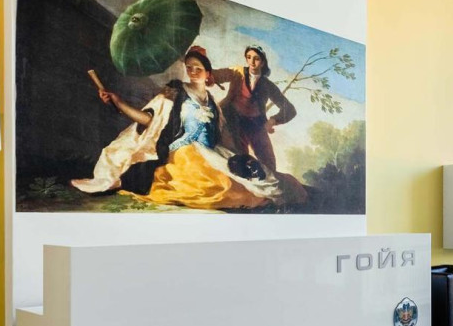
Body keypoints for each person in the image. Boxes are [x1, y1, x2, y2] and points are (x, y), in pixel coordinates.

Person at [72, 46, 302, 210]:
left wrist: (239, 156)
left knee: (256, 180)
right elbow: (149, 119)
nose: (193, 71)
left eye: (198, 67)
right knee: (214, 186)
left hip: (215, 150)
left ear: (208, 73)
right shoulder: (176, 91)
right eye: (189, 67)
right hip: (184, 152)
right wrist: (118, 102)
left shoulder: (214, 105)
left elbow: (223, 137)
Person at [211, 45, 295, 174]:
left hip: (256, 124)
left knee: (269, 166)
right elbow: (215, 75)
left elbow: (289, 109)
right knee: (236, 159)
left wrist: (273, 121)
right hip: (232, 119)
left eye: (256, 58)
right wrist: (202, 64)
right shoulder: (237, 72)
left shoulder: (267, 85)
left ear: (262, 62)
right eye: (249, 57)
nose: (252, 62)